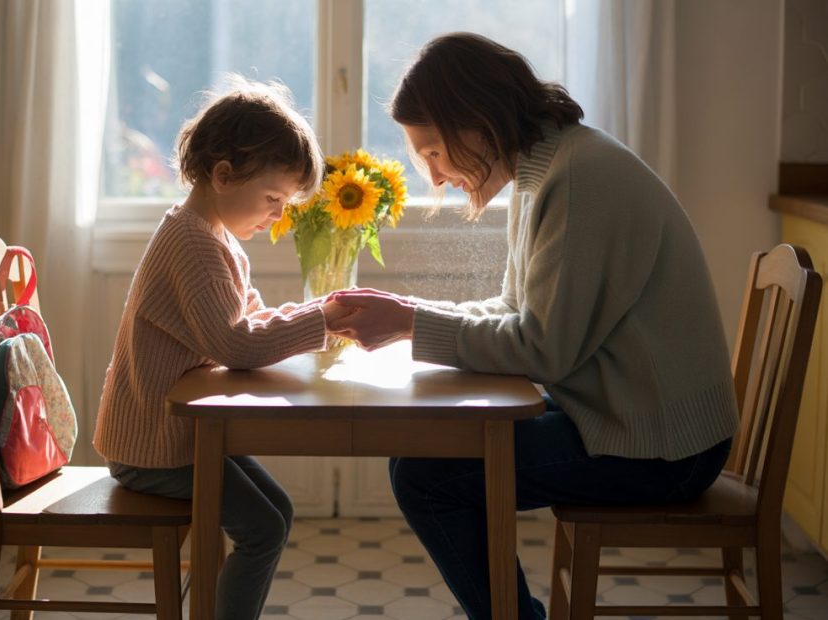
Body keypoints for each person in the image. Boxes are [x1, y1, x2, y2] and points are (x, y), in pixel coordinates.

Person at [327, 33, 739, 620]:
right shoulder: (548, 168)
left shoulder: (577, 178)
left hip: (662, 446)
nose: (436, 177)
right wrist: (403, 315)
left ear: (476, 123)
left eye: (434, 152)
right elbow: (515, 309)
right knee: (422, 454)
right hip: (623, 414)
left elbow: (542, 350)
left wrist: (411, 322)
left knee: (425, 476)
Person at [93, 77, 351, 620]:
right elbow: (234, 343)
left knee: (274, 513)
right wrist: (320, 322)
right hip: (152, 448)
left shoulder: (213, 237)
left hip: (176, 437)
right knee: (262, 529)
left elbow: (249, 318)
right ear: (224, 175)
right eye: (274, 198)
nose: (279, 213)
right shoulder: (192, 242)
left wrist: (320, 316)